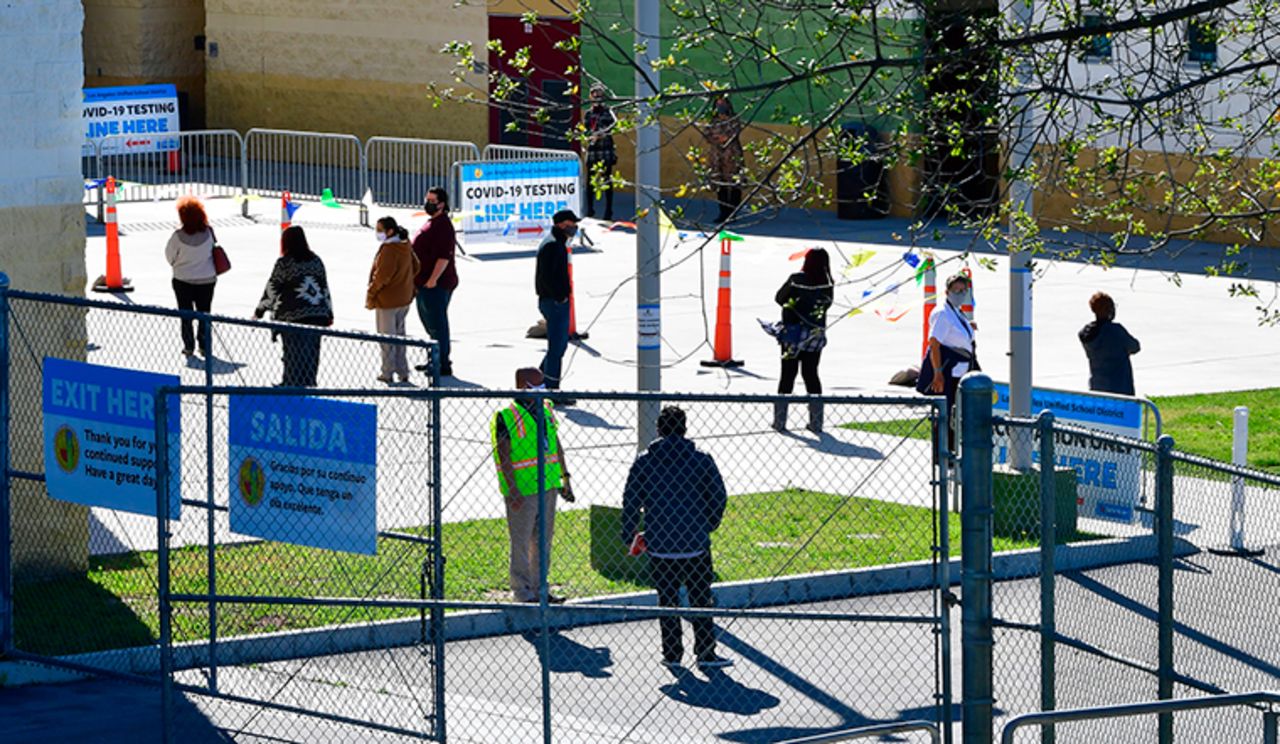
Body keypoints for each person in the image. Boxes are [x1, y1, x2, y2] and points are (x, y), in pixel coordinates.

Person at [621, 406, 733, 671]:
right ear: (684, 429)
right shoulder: (701, 460)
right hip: (695, 544)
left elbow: (631, 501)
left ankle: (672, 653)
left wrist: (630, 534)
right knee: (701, 599)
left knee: (667, 600)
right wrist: (707, 525)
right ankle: (705, 652)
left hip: (660, 544)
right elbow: (718, 496)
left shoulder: (645, 461)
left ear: (658, 429)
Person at [491, 367, 575, 603]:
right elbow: (504, 454)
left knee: (543, 541)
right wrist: (513, 489)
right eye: (535, 386)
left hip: (548, 486)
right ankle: (522, 591)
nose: (541, 390)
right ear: (521, 387)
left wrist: (564, 477)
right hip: (523, 491)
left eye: (542, 385)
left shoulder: (546, 408)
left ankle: (541, 589)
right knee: (521, 542)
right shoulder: (507, 415)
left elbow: (555, 443)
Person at [254, 226, 333, 387]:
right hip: (318, 315)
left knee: (293, 355)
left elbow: (273, 287)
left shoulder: (285, 263)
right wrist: (329, 313)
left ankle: (291, 387)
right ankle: (309, 386)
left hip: (293, 316)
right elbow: (324, 288)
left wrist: (260, 310)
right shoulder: (316, 261)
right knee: (311, 355)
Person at [768, 248, 835, 433]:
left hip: (793, 332)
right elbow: (827, 305)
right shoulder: (827, 283)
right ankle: (816, 422)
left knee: (787, 375)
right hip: (815, 333)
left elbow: (779, 298)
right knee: (811, 374)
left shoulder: (797, 278)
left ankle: (780, 421)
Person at [917, 272, 979, 418]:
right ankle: (945, 441)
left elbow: (953, 331)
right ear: (947, 292)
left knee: (959, 414)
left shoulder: (956, 312)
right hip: (949, 373)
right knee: (949, 414)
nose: (961, 294)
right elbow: (934, 343)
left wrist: (968, 326)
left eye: (963, 291)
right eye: (957, 291)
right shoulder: (942, 313)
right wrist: (938, 373)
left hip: (963, 370)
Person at [366, 216, 419, 384]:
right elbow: (417, 265)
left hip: (387, 300)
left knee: (386, 339)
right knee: (400, 336)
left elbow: (382, 277)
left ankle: (387, 372)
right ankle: (403, 371)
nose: (378, 233)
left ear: (390, 231)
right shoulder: (405, 245)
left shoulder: (389, 249)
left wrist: (371, 294)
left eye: (380, 230)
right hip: (404, 297)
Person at [412, 187, 458, 377]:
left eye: (432, 201)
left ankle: (442, 363)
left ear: (441, 204)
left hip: (436, 284)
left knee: (437, 324)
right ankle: (435, 358)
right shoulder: (433, 222)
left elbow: (443, 257)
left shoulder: (443, 226)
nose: (428, 203)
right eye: (427, 199)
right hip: (424, 283)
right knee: (429, 323)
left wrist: (432, 280)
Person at [164, 196, 218, 357]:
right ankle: (204, 345)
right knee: (204, 313)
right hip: (207, 279)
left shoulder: (177, 236)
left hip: (183, 279)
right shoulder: (209, 233)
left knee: (185, 314)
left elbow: (169, 257)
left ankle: (188, 346)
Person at [536, 209, 579, 394]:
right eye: (571, 224)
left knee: (558, 346)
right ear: (561, 224)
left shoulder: (555, 242)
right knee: (556, 349)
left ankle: (538, 379)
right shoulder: (553, 245)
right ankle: (552, 389)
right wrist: (560, 297)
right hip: (554, 302)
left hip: (552, 301)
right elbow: (547, 277)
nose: (574, 227)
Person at [1079, 291, 1141, 396]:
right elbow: (1135, 347)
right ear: (1109, 310)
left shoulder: (1085, 334)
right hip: (1120, 388)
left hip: (1097, 386)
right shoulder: (1116, 331)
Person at [706, 95, 744, 224]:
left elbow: (734, 133)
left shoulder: (734, 118)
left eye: (723, 103)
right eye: (718, 103)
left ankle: (732, 213)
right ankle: (723, 213)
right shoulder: (712, 120)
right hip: (717, 157)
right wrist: (718, 138)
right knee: (720, 185)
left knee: (734, 184)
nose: (720, 106)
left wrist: (723, 136)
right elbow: (708, 134)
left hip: (732, 156)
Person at [584, 84, 617, 221]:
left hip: (605, 148)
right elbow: (585, 129)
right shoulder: (588, 113)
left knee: (607, 178)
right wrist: (590, 135)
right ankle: (590, 208)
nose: (597, 98)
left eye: (600, 95)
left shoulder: (608, 112)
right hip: (593, 148)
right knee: (590, 180)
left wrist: (602, 134)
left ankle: (608, 210)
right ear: (590, 96)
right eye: (594, 95)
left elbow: (612, 126)